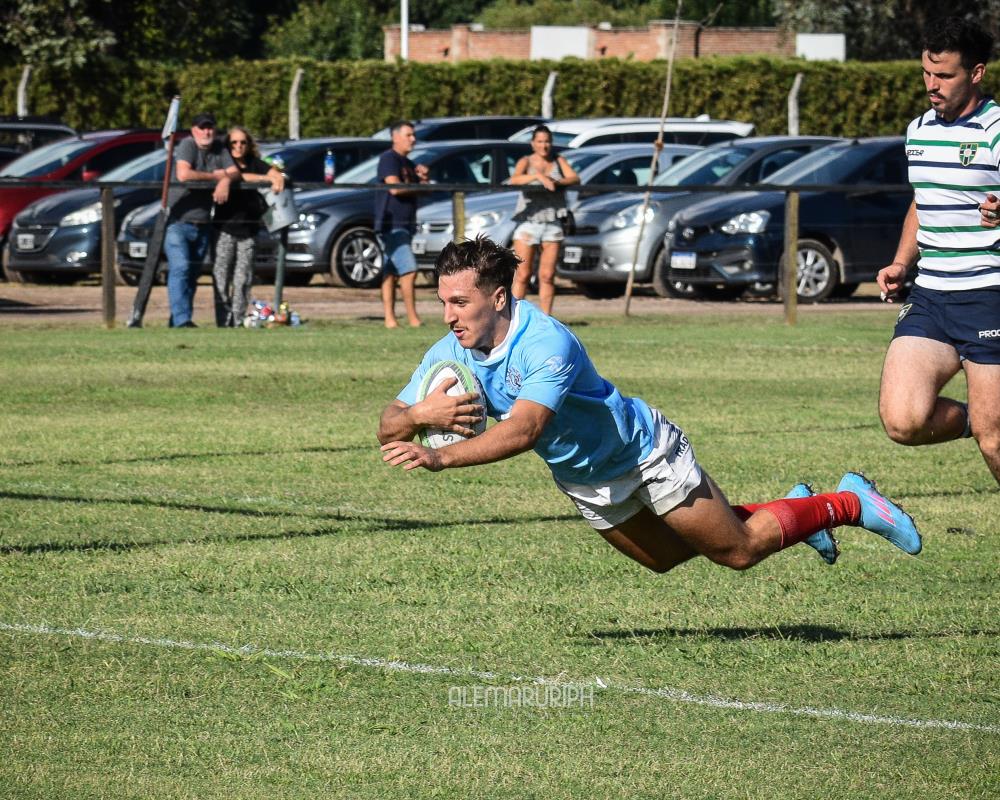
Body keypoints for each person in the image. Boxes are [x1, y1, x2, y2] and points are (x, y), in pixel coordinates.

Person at [379, 237, 922, 577]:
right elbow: (388, 426)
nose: (448, 316)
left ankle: (847, 503)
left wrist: (441, 457)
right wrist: (418, 417)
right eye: (442, 302)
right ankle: (793, 511)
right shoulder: (451, 350)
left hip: (641, 453)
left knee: (737, 552)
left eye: (459, 302)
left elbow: (525, 429)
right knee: (665, 558)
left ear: (498, 298)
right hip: (584, 477)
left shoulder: (545, 342)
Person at [877, 17, 1000, 485]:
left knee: (994, 441)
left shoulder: (994, 128)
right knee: (903, 420)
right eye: (927, 73)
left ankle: (991, 423)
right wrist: (901, 262)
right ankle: (986, 419)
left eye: (945, 75)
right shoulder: (920, 129)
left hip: (988, 294)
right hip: (931, 295)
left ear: (977, 73)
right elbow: (923, 200)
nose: (932, 85)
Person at [165, 112, 240, 328]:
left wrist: (225, 181)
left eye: (210, 127)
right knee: (181, 268)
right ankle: (182, 320)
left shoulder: (219, 148)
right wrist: (216, 176)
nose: (206, 132)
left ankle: (178, 319)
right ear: (193, 130)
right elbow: (183, 174)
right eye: (202, 127)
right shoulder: (187, 145)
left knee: (192, 274)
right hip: (178, 221)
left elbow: (235, 172)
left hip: (203, 223)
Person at [211, 126, 285, 327]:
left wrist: (277, 178)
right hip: (224, 228)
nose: (238, 146)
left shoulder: (254, 162)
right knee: (221, 277)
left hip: (248, 229)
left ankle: (237, 319)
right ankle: (223, 320)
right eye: (234, 142)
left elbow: (276, 174)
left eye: (243, 142)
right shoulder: (225, 162)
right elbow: (239, 176)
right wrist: (265, 179)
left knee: (243, 278)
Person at [508, 125, 579, 316]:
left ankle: (546, 320)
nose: (544, 145)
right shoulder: (525, 161)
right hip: (528, 221)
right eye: (540, 141)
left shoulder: (558, 160)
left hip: (552, 221)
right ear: (533, 143)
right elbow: (514, 180)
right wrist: (538, 176)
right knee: (523, 274)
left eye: (547, 141)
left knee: (547, 276)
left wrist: (557, 181)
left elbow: (574, 178)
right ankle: (515, 318)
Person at [375, 120, 429, 329]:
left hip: (405, 224)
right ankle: (413, 319)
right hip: (391, 224)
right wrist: (418, 186)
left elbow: (420, 188)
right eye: (408, 135)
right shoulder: (389, 159)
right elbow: (395, 188)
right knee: (409, 270)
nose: (413, 139)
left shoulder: (408, 163)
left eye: (413, 135)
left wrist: (423, 178)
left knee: (390, 272)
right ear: (395, 137)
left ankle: (390, 319)